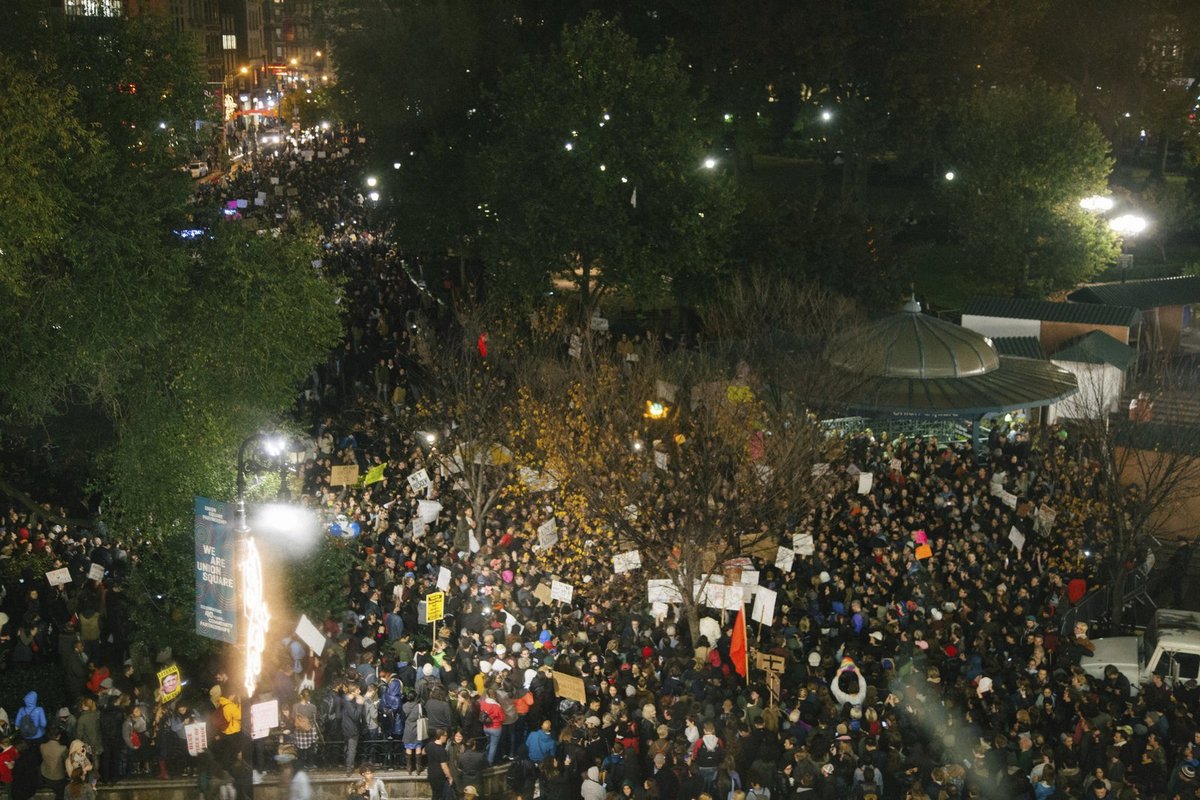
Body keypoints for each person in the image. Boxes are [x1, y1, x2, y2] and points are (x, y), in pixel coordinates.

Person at [425, 729, 453, 800]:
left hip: (431, 774)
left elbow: (423, 752)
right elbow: (444, 766)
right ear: (441, 736)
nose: (446, 737)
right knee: (441, 796)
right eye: (446, 735)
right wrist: (450, 777)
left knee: (435, 794)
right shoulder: (442, 750)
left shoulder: (430, 745)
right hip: (440, 776)